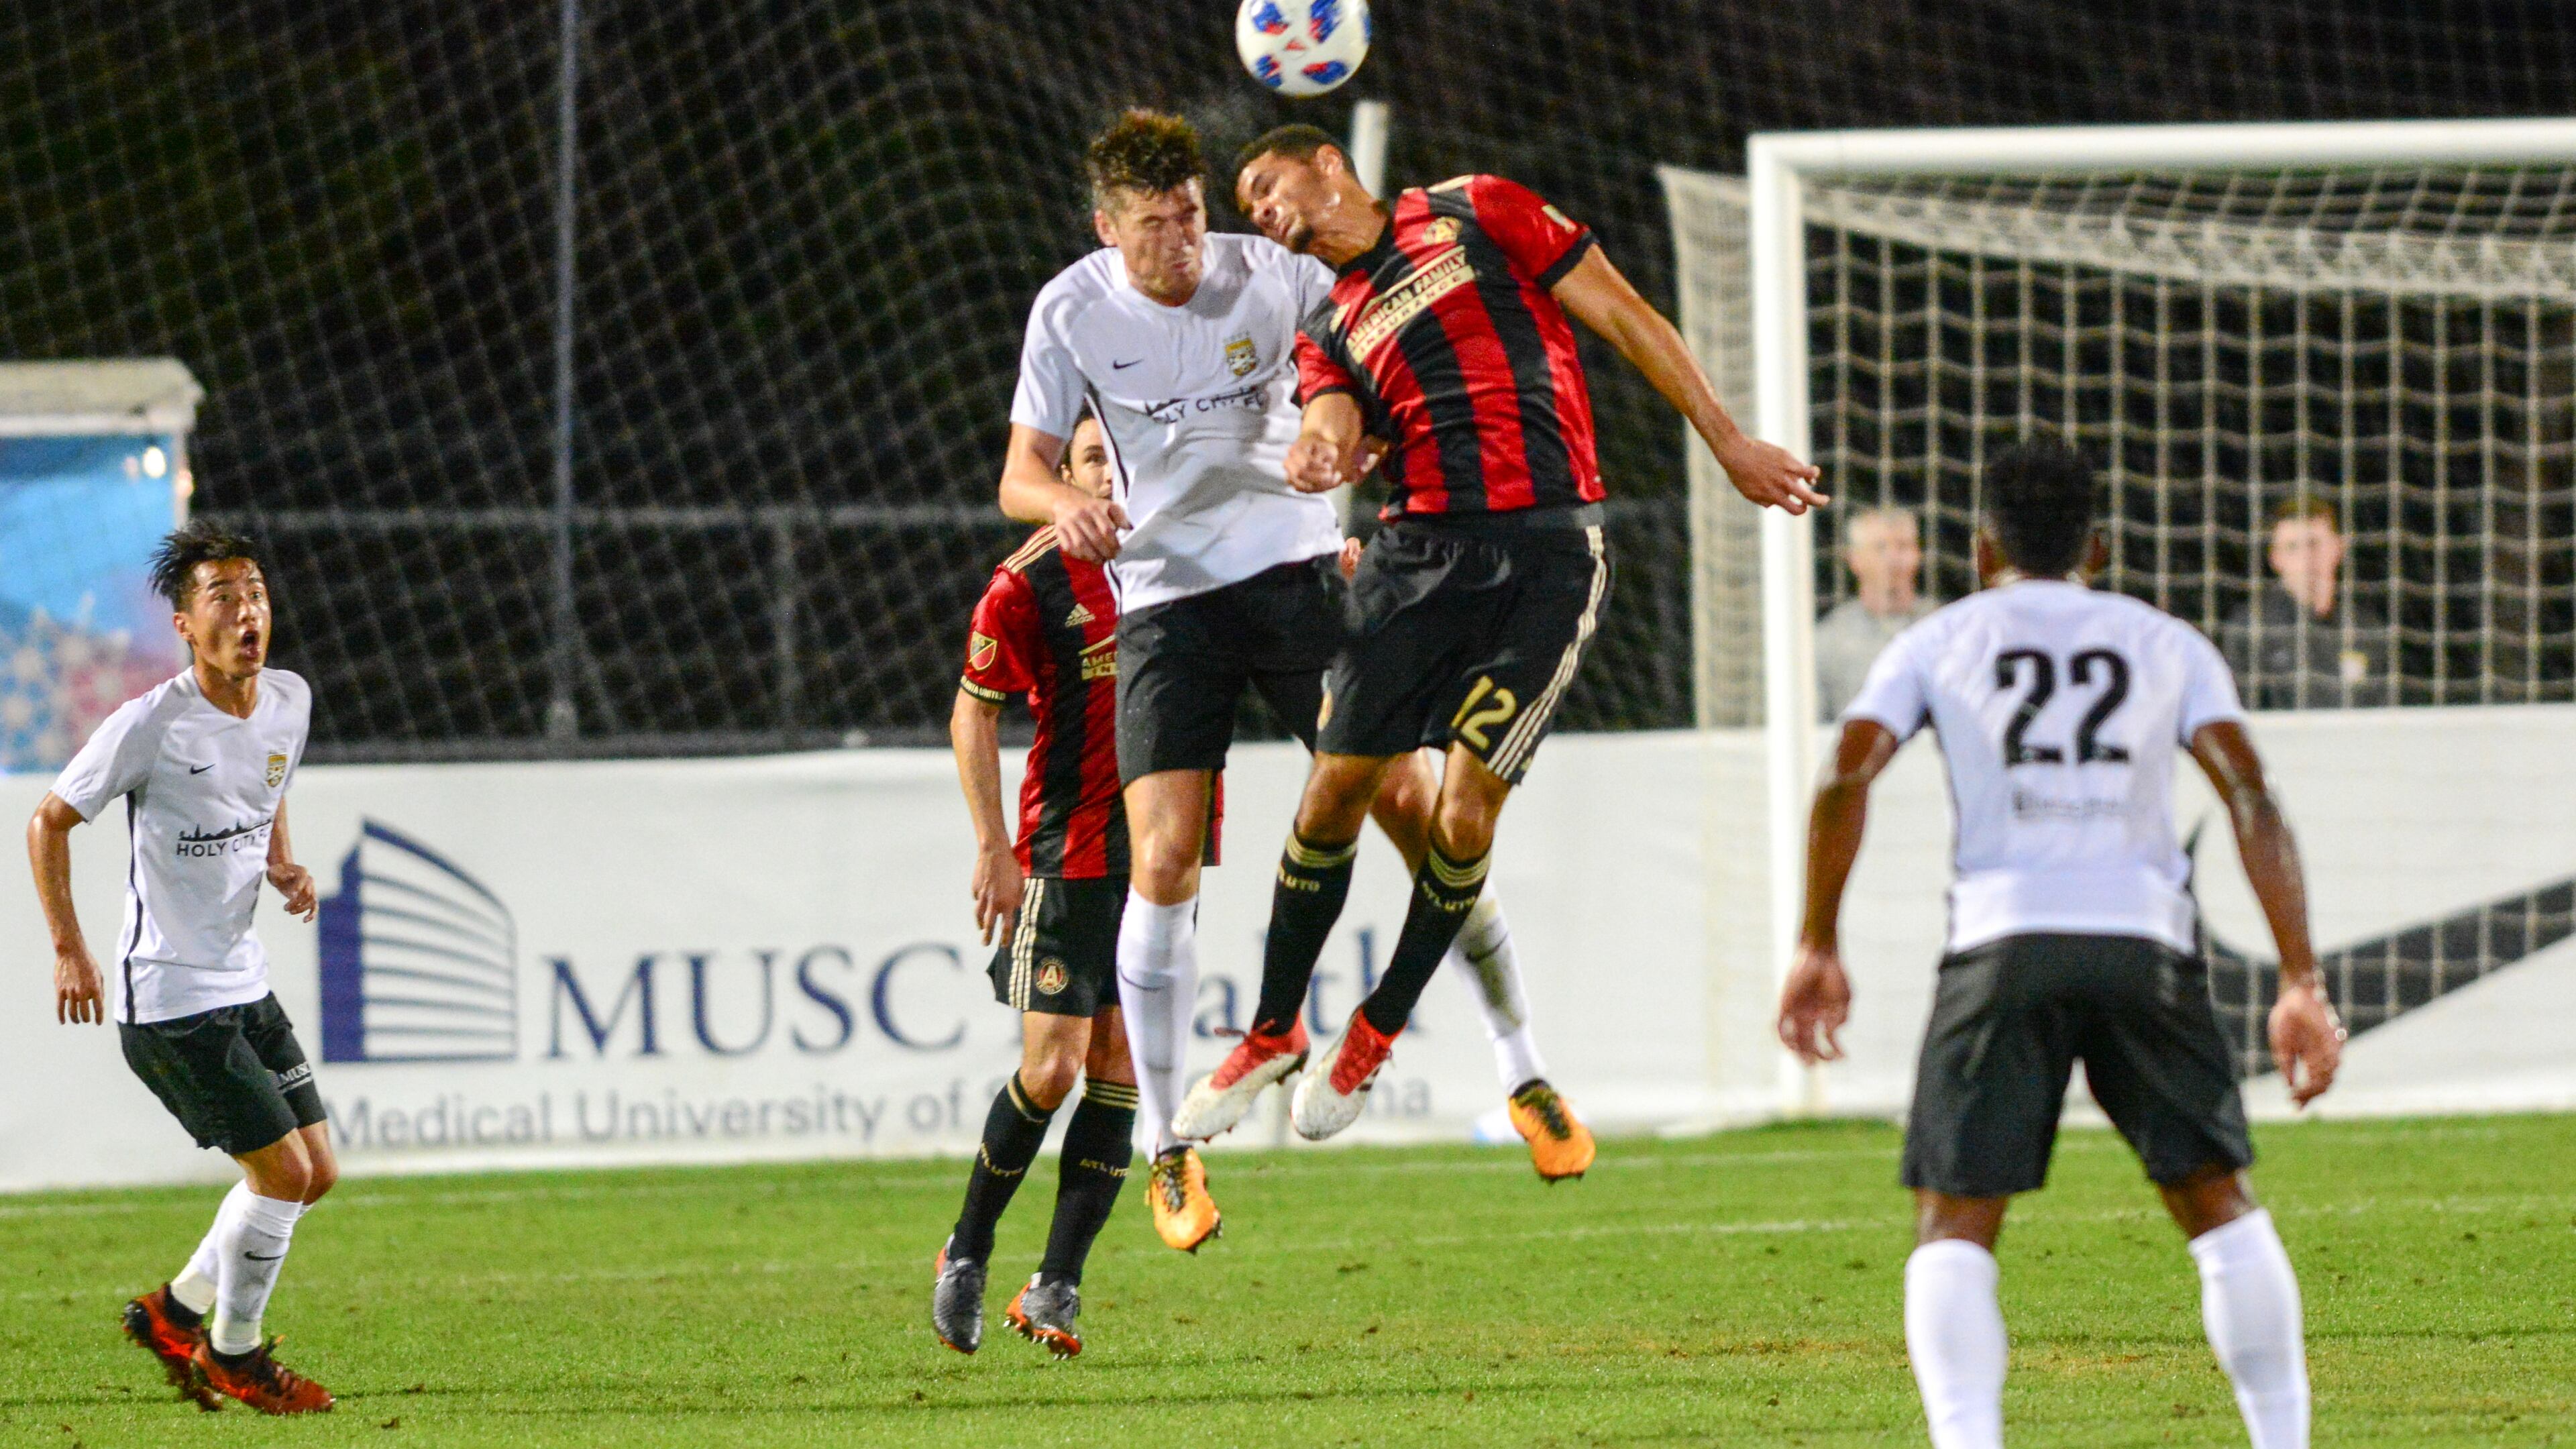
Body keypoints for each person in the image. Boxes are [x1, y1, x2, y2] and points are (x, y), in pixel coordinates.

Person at [998, 113, 1598, 1248]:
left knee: (1419, 812)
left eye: (1189, 213)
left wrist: (1358, 450)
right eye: (1152, 226)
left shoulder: (1272, 273)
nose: (1179, 240)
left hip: (1300, 573)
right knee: (1165, 860)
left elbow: (1369, 377)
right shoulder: (1068, 309)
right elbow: (1018, 478)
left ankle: (1525, 1070)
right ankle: (1171, 1150)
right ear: (1104, 228)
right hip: (1165, 601)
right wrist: (1063, 506)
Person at [1214, 125, 1825, 1142]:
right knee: (1332, 791)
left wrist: (1729, 443)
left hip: (1545, 559)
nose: (1263, 214)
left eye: (1267, 187)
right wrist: (1316, 458)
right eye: (1248, 208)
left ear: (1329, 162)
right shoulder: (1327, 324)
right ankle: (1273, 1029)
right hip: (1416, 563)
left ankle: (1377, 1026)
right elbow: (1324, 419)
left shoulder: (1477, 210)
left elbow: (1628, 320)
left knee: (1462, 814)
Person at [1776, 437, 2345, 1449]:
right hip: (2143, 944)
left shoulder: (1936, 642)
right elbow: (2252, 796)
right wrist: (2299, 977)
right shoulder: (2166, 641)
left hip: (2003, 943)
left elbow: (1842, 778)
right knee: (2221, 1209)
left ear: (1983, 549)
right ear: (2100, 544)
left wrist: (1818, 941)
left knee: (1955, 1225)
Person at [32, 522, 335, 1415]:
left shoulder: (287, 699)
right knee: (278, 1176)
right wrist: (69, 950)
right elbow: (48, 822)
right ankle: (233, 1355)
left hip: (245, 980)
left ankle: (172, 1314)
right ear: (182, 624)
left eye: (258, 597)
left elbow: (265, 785)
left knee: (314, 1172)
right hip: (169, 999)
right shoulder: (151, 725)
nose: (249, 614)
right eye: (225, 600)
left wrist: (280, 859)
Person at [932, 416, 1142, 1360]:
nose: (1112, 473)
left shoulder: (1180, 554)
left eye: (1125, 455)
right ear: (1062, 474)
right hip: (1069, 852)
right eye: (1095, 456)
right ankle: (967, 1252)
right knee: (1054, 1067)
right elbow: (971, 716)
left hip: (1164, 854)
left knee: (1123, 1067)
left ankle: (1055, 1287)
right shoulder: (1029, 581)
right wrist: (993, 848)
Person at [2218, 496, 2394, 709]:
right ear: (2275, 558)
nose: (2306, 559)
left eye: (2314, 544)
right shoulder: (2251, 628)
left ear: (2338, 547)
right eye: (2293, 547)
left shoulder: (2366, 627)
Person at [1816, 506, 1934, 718]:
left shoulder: (1944, 626)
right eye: (1880, 548)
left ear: (1918, 554)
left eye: (1903, 546)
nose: (1893, 558)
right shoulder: (1828, 639)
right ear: (1854, 559)